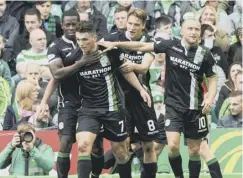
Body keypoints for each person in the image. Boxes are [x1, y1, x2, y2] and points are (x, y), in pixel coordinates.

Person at [99, 18, 223, 178]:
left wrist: (210, 97)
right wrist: (117, 44)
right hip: (173, 107)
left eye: (196, 29)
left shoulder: (205, 54)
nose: (193, 32)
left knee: (195, 150)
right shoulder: (171, 45)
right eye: (190, 29)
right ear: (182, 31)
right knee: (172, 146)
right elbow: (143, 46)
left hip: (196, 107)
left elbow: (212, 77)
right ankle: (179, 176)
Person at [73, 20, 151, 178]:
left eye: (85, 39)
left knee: (121, 152)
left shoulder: (110, 52)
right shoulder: (75, 57)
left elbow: (126, 71)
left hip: (112, 109)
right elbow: (60, 75)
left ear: (94, 38)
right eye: (78, 40)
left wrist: (141, 89)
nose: (81, 44)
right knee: (83, 146)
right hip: (88, 110)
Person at [101, 9, 159, 178]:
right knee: (121, 146)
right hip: (118, 99)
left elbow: (145, 66)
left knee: (149, 145)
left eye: (136, 24)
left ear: (143, 26)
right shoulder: (113, 38)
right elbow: (95, 47)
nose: (132, 27)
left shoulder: (149, 41)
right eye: (130, 23)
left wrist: (133, 66)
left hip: (142, 98)